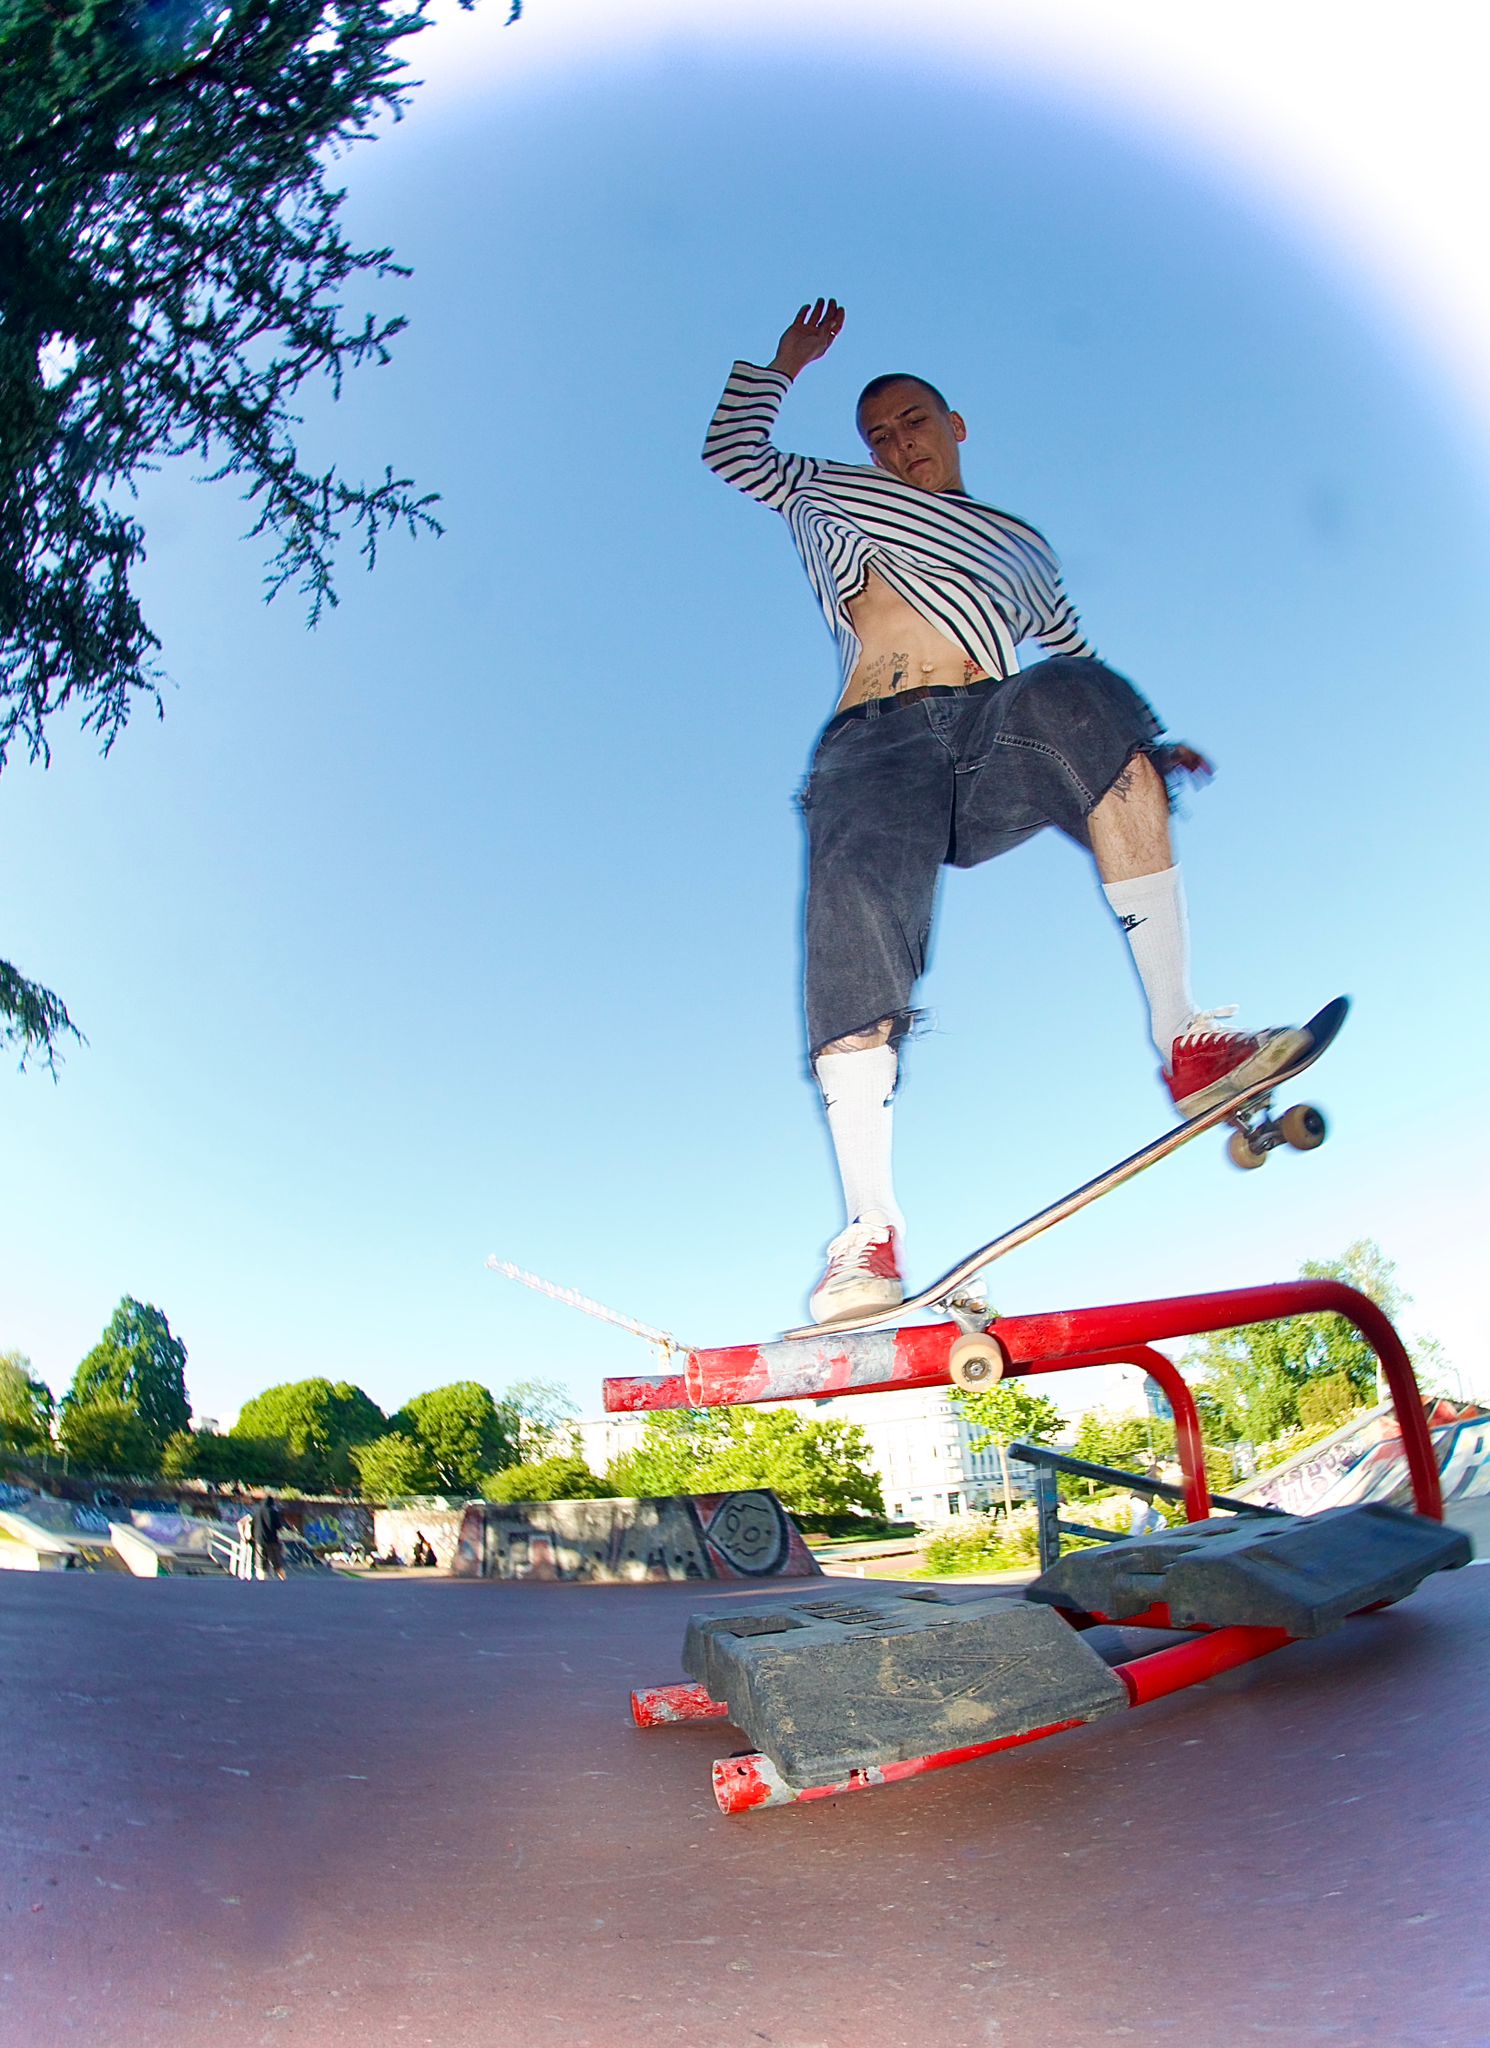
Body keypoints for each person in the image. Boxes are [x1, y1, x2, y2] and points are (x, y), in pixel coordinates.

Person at [703, 300, 1309, 1324]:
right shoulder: (834, 491)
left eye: (913, 423)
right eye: (879, 435)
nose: (898, 445)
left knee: (1086, 700)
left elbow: (1072, 651)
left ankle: (1184, 1040)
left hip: (989, 735)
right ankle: (869, 1228)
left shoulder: (1021, 546)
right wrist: (782, 363)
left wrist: (1145, 743)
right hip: (875, 743)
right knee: (857, 936)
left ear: (955, 425)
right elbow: (731, 451)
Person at [251, 1492, 287, 1580]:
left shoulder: (257, 1511)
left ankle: (262, 1581)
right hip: (272, 1541)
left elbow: (252, 1525)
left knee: (261, 1565)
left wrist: (253, 1536)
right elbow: (278, 1526)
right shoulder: (273, 1512)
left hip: (259, 1540)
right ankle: (283, 1580)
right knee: (277, 1564)